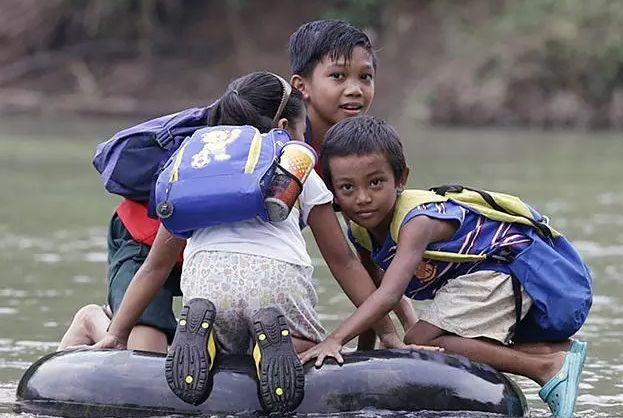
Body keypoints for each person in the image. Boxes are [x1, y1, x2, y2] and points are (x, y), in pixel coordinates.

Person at [59, 19, 416, 353]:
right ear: (300, 87)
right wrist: (117, 333)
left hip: (222, 260)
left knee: (244, 336)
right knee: (144, 350)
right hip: (148, 240)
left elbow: (361, 249)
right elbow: (155, 264)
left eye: (365, 78)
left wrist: (396, 334)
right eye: (338, 77)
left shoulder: (346, 154)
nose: (354, 90)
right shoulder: (266, 130)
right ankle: (94, 320)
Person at [300, 115, 592, 418]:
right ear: (333, 191)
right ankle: (549, 353)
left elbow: (388, 293)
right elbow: (374, 291)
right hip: (482, 277)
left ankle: (546, 367)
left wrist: (334, 340)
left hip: (510, 267)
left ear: (400, 179)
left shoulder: (417, 221)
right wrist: (369, 355)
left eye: (376, 183)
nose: (362, 198)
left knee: (421, 339)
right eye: (347, 188)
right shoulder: (360, 230)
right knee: (422, 338)